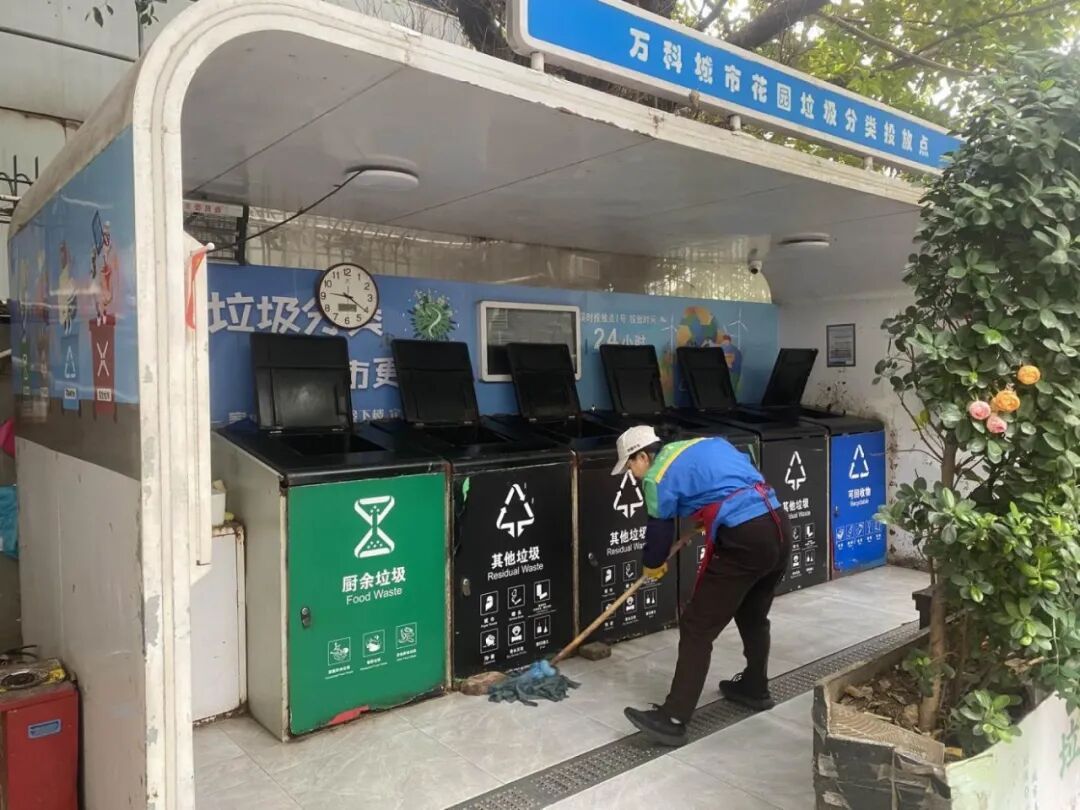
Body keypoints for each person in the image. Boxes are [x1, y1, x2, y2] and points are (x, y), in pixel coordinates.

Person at [612, 425, 792, 747]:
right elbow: (736, 482)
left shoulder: (656, 475)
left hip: (745, 538)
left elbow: (659, 531)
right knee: (752, 614)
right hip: (778, 524)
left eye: (629, 466)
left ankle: (673, 719)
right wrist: (710, 513)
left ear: (643, 456)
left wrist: (653, 563)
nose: (632, 475)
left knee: (697, 626)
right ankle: (755, 687)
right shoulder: (706, 444)